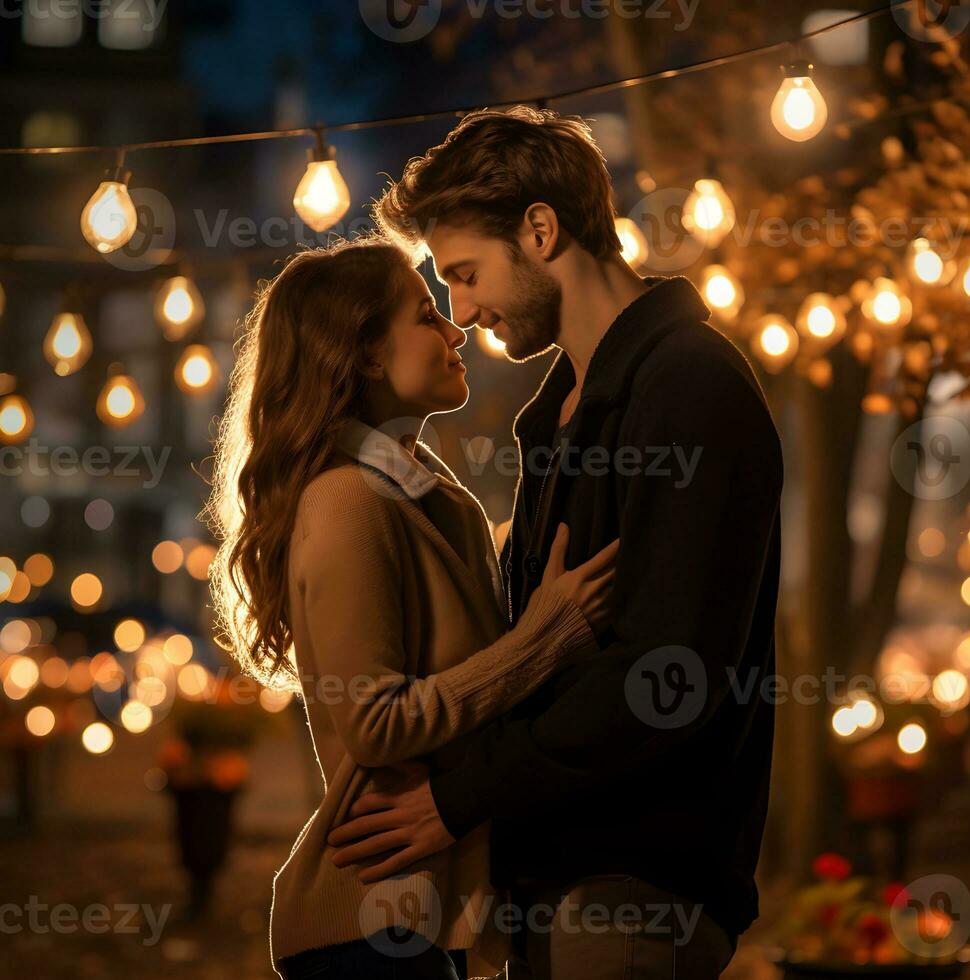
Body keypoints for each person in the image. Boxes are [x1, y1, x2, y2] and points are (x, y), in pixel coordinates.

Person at [327, 105, 785, 979]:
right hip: (551, 887)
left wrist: (457, 801)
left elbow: (665, 676)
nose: (459, 312)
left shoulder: (689, 384)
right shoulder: (561, 413)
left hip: (632, 894)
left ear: (541, 230)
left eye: (464, 273)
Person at [205, 234, 619, 979]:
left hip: (426, 920)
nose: (456, 328)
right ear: (365, 353)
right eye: (426, 313)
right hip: (370, 923)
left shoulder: (427, 497)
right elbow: (376, 723)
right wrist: (543, 639)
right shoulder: (347, 501)